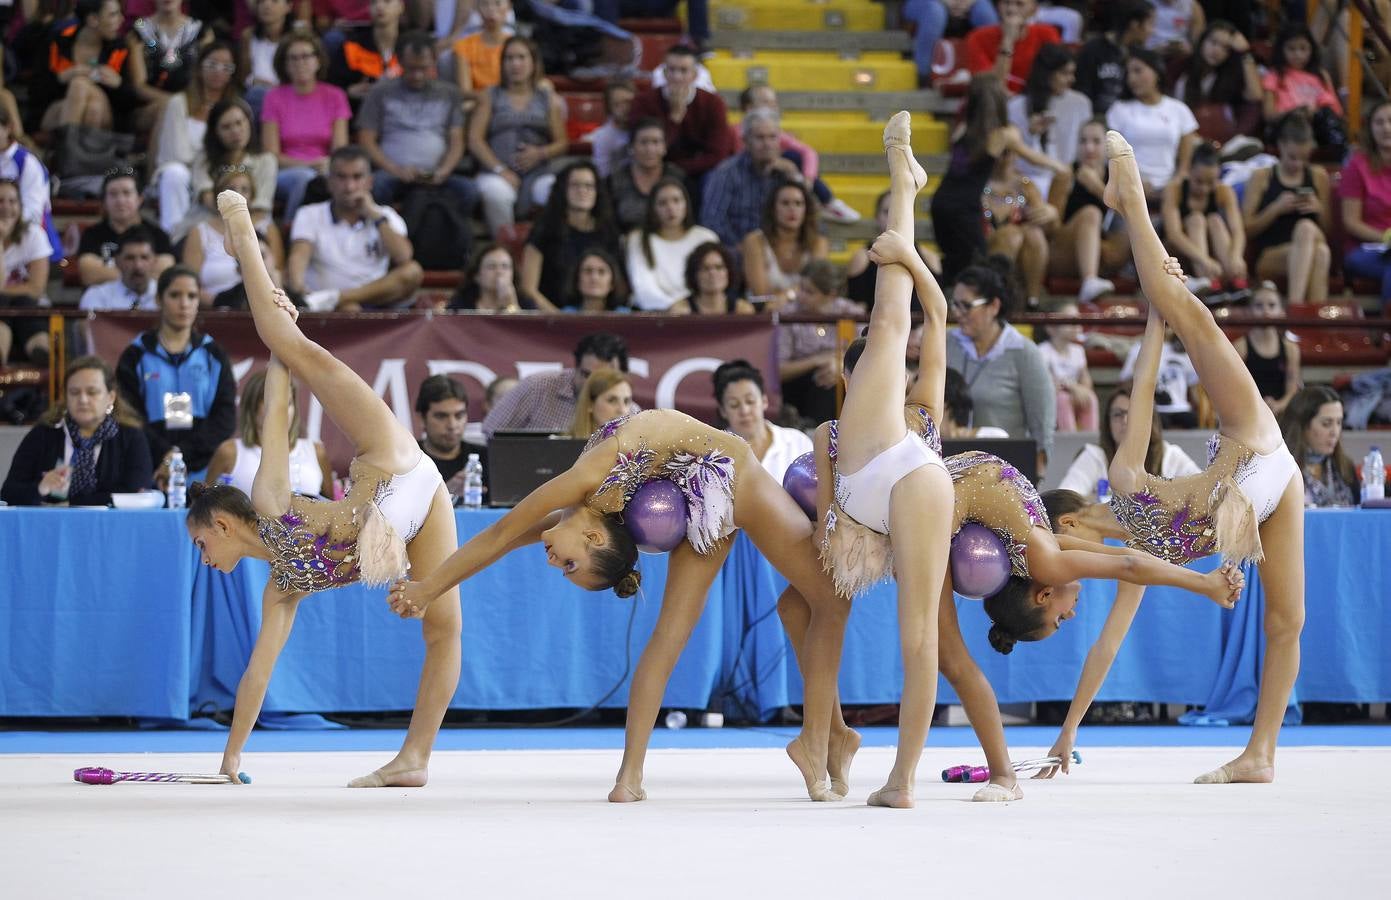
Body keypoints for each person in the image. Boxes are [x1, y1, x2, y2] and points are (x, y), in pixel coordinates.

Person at [387, 396, 847, 805]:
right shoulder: (580, 511)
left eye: (568, 567)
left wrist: (429, 587)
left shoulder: (585, 483)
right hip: (721, 482)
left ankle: (827, 734)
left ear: (592, 535)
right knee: (805, 605)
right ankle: (632, 776)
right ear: (591, 536)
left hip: (716, 478)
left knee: (813, 600)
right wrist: (429, 588)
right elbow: (499, 538)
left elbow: (500, 534)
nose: (555, 565)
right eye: (569, 568)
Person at [192, 188, 462, 790]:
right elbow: (257, 675)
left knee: (285, 339)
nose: (203, 557)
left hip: (390, 461)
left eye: (201, 543)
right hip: (419, 501)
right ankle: (414, 761)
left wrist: (284, 340)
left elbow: (281, 408)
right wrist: (231, 759)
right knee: (441, 627)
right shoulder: (282, 590)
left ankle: (244, 236)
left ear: (224, 525)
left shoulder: (267, 501)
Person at [1082, 131, 1305, 784]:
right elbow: (1143, 394)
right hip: (1250, 459)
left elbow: (1105, 644)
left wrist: (1158, 318)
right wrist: (1163, 312)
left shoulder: (1122, 525)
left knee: (1287, 622)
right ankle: (1129, 200)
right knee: (1190, 311)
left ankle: (1260, 755)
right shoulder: (1120, 516)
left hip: (1254, 481)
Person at [929, 74, 1067, 282]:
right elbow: (1032, 157)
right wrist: (1060, 167)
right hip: (964, 208)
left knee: (955, 262)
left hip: (940, 203)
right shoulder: (1002, 135)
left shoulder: (962, 129)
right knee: (978, 266)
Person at [116, 265, 237, 486]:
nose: (184, 304)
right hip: (150, 467)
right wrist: (166, 456)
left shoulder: (214, 354)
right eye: (175, 295)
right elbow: (128, 415)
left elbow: (225, 418)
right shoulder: (135, 354)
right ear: (159, 300)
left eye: (192, 296)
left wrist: (180, 456)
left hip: (204, 469)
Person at [943, 258, 1056, 474]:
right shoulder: (946, 343)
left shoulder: (1024, 353)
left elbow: (1042, 425)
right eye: (954, 304)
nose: (957, 312)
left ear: (994, 306)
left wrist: (1035, 475)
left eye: (966, 305)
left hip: (1004, 473)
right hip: (950, 467)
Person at [286, 145, 424, 311]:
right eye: (341, 177)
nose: (349, 186)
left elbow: (403, 257)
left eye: (357, 177)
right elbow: (299, 257)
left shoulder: (385, 215)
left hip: (374, 300)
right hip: (321, 306)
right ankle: (338, 301)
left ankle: (338, 298)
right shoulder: (309, 214)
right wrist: (299, 288)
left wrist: (374, 215)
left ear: (370, 182)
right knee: (350, 308)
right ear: (329, 182)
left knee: (413, 271)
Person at [358, 30, 477, 223]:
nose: (417, 75)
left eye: (424, 68)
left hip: (436, 175)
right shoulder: (380, 92)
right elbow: (366, 140)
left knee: (468, 191)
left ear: (434, 62)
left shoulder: (449, 94)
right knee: (376, 186)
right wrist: (394, 169)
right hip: (392, 173)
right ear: (400, 62)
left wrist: (443, 171)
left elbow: (457, 141)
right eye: (411, 68)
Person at [1, 355, 152, 506]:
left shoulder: (132, 437)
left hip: (112, 526)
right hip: (51, 525)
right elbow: (8, 493)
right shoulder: (43, 434)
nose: (83, 400)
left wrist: (72, 504)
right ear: (66, 397)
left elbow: (135, 493)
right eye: (74, 392)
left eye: (92, 392)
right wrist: (41, 488)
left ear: (111, 397)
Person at [468, 36, 567, 235]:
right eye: (509, 58)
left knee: (552, 190)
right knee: (496, 193)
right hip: (496, 172)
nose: (515, 64)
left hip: (538, 172)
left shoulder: (548, 99)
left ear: (533, 62)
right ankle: (505, 250)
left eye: (521, 57)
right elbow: (474, 139)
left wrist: (540, 153)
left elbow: (563, 142)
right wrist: (500, 169)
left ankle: (544, 248)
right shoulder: (490, 95)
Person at [1242, 110, 1332, 305]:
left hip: (1310, 245)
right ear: (1281, 146)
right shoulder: (1262, 177)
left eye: (1303, 158)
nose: (1298, 164)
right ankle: (1299, 313)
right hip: (1271, 254)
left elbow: (1328, 231)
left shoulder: (1318, 176)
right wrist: (1276, 208)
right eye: (1292, 157)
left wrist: (1318, 209)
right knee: (1314, 242)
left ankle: (1301, 319)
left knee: (1316, 244)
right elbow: (1247, 229)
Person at [260, 32, 352, 223]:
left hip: (325, 168)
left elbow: (340, 150)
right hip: (286, 172)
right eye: (293, 58)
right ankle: (290, 228)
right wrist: (309, 165)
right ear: (284, 64)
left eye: (306, 56)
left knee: (342, 180)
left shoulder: (335, 96)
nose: (300, 62)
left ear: (318, 61)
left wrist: (326, 164)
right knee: (305, 178)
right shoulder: (274, 97)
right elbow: (271, 155)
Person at [151, 40, 239, 234]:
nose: (219, 71)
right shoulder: (178, 103)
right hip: (185, 173)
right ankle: (174, 235)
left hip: (219, 173)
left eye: (226, 67)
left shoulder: (236, 108)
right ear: (199, 68)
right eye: (212, 64)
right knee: (175, 173)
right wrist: (201, 170)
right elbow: (176, 153)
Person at [204, 368, 333, 497]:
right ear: (252, 408)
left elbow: (333, 510)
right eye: (274, 403)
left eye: (288, 403)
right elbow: (202, 508)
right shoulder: (229, 452)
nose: (282, 411)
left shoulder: (316, 452)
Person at [1055, 387, 1201, 500]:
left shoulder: (1170, 455)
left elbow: (1205, 493)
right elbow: (1065, 500)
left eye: (1132, 413)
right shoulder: (1094, 456)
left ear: (1149, 419)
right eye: (1118, 414)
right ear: (1108, 423)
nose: (1125, 421)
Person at [481, 332, 632, 438]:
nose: (591, 384)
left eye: (602, 378)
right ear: (576, 368)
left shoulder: (630, 413)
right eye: (586, 375)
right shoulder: (537, 387)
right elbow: (490, 433)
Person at [1046, 119, 1130, 303]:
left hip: (1099, 249)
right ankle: (1089, 280)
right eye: (1083, 141)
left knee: (1130, 229)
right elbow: (1053, 227)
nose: (1089, 148)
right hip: (1065, 249)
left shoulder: (1115, 175)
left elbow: (1130, 215)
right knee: (1091, 213)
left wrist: (1097, 188)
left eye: (1096, 142)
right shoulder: (1066, 174)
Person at [520, 161, 622, 311]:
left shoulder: (609, 231)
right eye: (575, 185)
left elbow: (617, 283)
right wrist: (560, 318)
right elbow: (528, 288)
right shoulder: (545, 229)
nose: (582, 191)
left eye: (589, 186)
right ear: (563, 190)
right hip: (551, 318)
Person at [701, 109, 808, 249]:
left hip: (780, 252)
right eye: (760, 138)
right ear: (745, 141)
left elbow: (809, 216)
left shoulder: (787, 171)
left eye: (772, 137)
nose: (767, 144)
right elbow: (712, 220)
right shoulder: (727, 173)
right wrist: (743, 249)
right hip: (737, 253)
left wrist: (795, 177)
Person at [1105, 47, 1199, 204]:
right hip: (1130, 188)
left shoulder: (1179, 109)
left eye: (1138, 71)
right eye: (1128, 73)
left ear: (1157, 71)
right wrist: (1133, 182)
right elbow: (1111, 157)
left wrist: (1176, 183)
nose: (1132, 79)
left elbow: (1185, 164)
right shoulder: (1119, 109)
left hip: (1170, 189)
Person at [628, 44, 732, 185]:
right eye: (672, 70)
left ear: (694, 75)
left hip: (701, 171)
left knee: (715, 178)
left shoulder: (713, 103)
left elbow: (717, 153)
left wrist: (678, 169)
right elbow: (645, 147)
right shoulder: (644, 101)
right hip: (655, 169)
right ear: (664, 73)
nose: (677, 77)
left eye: (683, 71)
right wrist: (674, 119)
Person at [184, 166, 287, 306]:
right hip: (215, 311)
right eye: (232, 189)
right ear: (218, 195)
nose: (238, 195)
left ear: (252, 196)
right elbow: (189, 284)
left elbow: (277, 274)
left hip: (264, 306)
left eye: (245, 189)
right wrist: (221, 304)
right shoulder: (199, 232)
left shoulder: (267, 228)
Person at [778, 260, 862, 425]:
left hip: (845, 380)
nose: (801, 296)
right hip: (798, 386)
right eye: (800, 288)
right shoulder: (788, 315)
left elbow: (868, 353)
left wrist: (839, 362)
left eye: (809, 292)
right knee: (824, 378)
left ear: (830, 295)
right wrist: (817, 360)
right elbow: (779, 371)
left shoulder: (851, 313)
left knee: (834, 377)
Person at [183, 98, 278, 243]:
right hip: (209, 222)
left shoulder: (266, 161)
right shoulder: (204, 159)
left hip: (252, 226)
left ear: (249, 123)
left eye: (239, 123)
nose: (235, 131)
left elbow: (260, 207)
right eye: (226, 127)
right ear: (215, 132)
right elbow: (208, 198)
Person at [39, 0, 143, 132]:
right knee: (92, 107)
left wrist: (119, 84)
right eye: (113, 15)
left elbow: (130, 102)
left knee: (81, 87)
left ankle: (67, 149)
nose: (121, 20)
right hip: (59, 110)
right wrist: (61, 78)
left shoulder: (119, 48)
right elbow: (38, 91)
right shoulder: (59, 42)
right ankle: (76, 150)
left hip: (107, 117)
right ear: (93, 19)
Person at [1160, 142, 1247, 297]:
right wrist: (1204, 260)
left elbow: (1237, 230)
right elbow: (1173, 234)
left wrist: (1236, 256)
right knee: (1196, 220)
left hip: (1213, 257)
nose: (1205, 189)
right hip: (1177, 254)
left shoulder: (1224, 191)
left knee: (1215, 220)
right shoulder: (1175, 189)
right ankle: (1207, 282)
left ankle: (1233, 277)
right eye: (1199, 182)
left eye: (1211, 182)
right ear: (1189, 172)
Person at [1007, 43, 1092, 200]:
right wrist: (1031, 134)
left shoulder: (1081, 103)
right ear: (1046, 74)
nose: (1071, 79)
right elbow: (1013, 158)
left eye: (1072, 73)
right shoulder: (1017, 106)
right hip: (1026, 183)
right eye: (1064, 73)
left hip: (1066, 180)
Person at [625, 176, 718, 312]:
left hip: (700, 313)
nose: (671, 208)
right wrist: (676, 309)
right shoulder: (638, 239)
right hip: (654, 315)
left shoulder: (705, 237)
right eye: (662, 203)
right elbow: (644, 288)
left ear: (686, 204)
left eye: (676, 201)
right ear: (653, 208)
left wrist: (691, 308)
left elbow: (715, 284)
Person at [76, 167, 177, 287]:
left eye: (127, 193)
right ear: (104, 202)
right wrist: (139, 275)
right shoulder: (91, 234)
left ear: (139, 199)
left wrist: (109, 272)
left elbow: (165, 271)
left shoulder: (158, 235)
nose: (120, 200)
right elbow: (89, 274)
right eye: (113, 194)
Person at [712, 360, 810, 482]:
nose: (744, 411)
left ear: (764, 401)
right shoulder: (715, 455)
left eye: (750, 401)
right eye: (734, 405)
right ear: (723, 411)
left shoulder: (797, 442)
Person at [846, 189, 942, 310]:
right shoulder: (862, 259)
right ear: (877, 217)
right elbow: (856, 310)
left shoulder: (930, 258)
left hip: (919, 327)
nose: (893, 218)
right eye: (887, 212)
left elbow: (935, 309)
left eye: (899, 212)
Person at [742, 181, 829, 307]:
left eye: (798, 203)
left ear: (806, 209)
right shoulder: (755, 241)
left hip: (805, 314)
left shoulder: (818, 242)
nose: (792, 209)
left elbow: (816, 287)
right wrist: (798, 293)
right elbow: (760, 294)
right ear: (773, 209)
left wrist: (786, 296)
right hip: (764, 315)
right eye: (785, 203)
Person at [1173, 19, 1261, 143]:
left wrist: (1245, 53)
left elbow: (1255, 96)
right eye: (1213, 42)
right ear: (1203, 41)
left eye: (1225, 48)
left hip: (1219, 136)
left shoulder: (1229, 74)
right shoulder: (1183, 65)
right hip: (1183, 132)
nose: (1217, 51)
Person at [1338, 99, 1391, 303]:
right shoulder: (1357, 166)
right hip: (1364, 249)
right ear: (1370, 128)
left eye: (1390, 121)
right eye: (1379, 122)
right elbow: (1351, 222)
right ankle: (1387, 331)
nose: (1386, 128)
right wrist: (1385, 238)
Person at [0, 176, 52, 368]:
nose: (6, 207)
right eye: (0, 201)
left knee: (25, 303)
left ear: (20, 206)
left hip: (29, 307)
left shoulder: (34, 235)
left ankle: (42, 354)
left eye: (12, 201)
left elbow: (36, 289)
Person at [1073, 0, 1155, 117]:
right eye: (1150, 24)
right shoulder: (1093, 49)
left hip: (1129, 120)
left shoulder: (1141, 55)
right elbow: (1082, 89)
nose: (1152, 31)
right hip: (1094, 119)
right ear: (1135, 24)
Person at [1260, 25, 1343, 138]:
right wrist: (1293, 113)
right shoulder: (1274, 75)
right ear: (1281, 50)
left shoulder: (1321, 75)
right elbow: (1268, 115)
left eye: (1303, 48)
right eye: (1291, 49)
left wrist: (1315, 112)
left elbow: (1336, 110)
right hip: (1286, 126)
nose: (1298, 55)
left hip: (1318, 125)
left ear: (1311, 49)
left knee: (1327, 117)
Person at [1280, 385, 1355, 508]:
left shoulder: (1346, 467)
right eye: (1326, 424)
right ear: (1302, 426)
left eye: (1339, 422)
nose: (1335, 432)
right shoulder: (1282, 470)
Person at [413, 373, 488, 498]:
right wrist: (447, 494)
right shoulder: (408, 461)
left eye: (459, 415)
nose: (452, 425)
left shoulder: (486, 459)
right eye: (441, 416)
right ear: (422, 419)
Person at [130, 0, 212, 113]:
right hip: (151, 106)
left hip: (194, 103)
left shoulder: (200, 31)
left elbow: (209, 77)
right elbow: (139, 87)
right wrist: (176, 103)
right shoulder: (140, 30)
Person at [964, 0, 1060, 95]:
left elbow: (1056, 79)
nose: (1011, 9)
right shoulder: (977, 37)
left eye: (1019, 4)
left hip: (1034, 100)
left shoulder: (1047, 34)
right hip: (995, 103)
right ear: (997, 7)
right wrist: (1008, 40)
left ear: (1034, 9)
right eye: (1006, 3)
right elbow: (991, 88)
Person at [1234, 284, 1301, 417]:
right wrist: (1259, 406)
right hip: (1249, 412)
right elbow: (1235, 389)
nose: (1265, 310)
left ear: (1281, 312)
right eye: (1259, 306)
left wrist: (1278, 405)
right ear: (1249, 311)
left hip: (1280, 413)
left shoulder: (1290, 349)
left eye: (1271, 305)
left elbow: (1292, 389)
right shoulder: (1240, 347)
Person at [608, 118, 685, 233]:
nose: (650, 149)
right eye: (643, 142)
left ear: (664, 148)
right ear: (631, 147)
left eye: (656, 142)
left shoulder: (679, 178)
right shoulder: (614, 181)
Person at [1118, 320, 1198, 428]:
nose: (1168, 329)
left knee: (1192, 421)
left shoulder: (1184, 350)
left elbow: (1193, 386)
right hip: (1153, 408)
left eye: (1169, 325)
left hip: (1181, 408)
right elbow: (1125, 380)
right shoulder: (1139, 348)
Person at [1037, 299, 1097, 431]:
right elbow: (1049, 382)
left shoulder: (1078, 351)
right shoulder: (1042, 351)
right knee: (1063, 399)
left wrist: (1083, 390)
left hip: (1074, 396)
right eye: (1071, 321)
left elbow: (1086, 380)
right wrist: (1072, 387)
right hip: (1052, 399)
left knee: (1090, 398)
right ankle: (1070, 442)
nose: (1077, 325)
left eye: (1078, 320)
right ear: (1051, 327)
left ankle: (1091, 441)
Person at [328, 0, 405, 103]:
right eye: (374, 2)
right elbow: (332, 87)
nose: (379, 6)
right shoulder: (351, 47)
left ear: (401, 7)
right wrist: (348, 91)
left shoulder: (411, 45)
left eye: (387, 1)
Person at [79, 229, 160, 311]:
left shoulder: (167, 295)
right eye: (130, 258)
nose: (138, 266)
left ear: (155, 261)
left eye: (144, 258)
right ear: (117, 261)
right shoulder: (97, 296)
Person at [451, 0, 512, 107]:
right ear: (477, 9)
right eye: (485, 4)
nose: (491, 9)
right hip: (478, 102)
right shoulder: (463, 45)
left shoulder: (516, 45)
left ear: (509, 7)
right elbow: (465, 90)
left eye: (497, 3)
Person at [669, 242, 755, 315]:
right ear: (694, 274)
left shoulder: (742, 310)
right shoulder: (679, 311)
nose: (712, 273)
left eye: (719, 267)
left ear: (729, 272)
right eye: (705, 268)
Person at [240, 0, 293, 113]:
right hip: (255, 93)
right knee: (256, 94)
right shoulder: (248, 36)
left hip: (289, 94)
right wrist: (253, 81)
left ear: (288, 6)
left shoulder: (296, 38)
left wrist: (274, 87)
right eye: (261, 1)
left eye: (274, 1)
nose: (266, 5)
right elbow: (243, 76)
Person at [447, 243, 522, 311]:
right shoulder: (460, 304)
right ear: (476, 275)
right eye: (491, 266)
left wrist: (512, 306)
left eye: (505, 266)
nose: (499, 272)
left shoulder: (525, 302)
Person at [588, 79, 636, 179]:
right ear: (609, 108)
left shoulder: (646, 128)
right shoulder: (604, 137)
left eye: (628, 102)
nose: (625, 108)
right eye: (617, 104)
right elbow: (603, 175)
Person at [567, 369, 633, 438]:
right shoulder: (562, 446)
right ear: (590, 404)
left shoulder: (639, 446)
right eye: (612, 400)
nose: (622, 410)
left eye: (626, 401)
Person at [562, 248, 630, 313]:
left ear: (612, 283)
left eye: (601, 272)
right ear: (577, 280)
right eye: (588, 271)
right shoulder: (565, 315)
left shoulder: (627, 317)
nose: (594, 278)